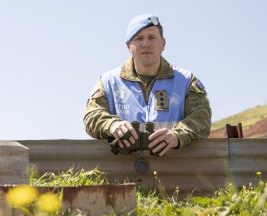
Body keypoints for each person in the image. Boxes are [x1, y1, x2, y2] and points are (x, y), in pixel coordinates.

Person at [84, 14, 211, 156]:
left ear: (163, 44)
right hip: (122, 173)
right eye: (139, 38)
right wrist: (112, 125)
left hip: (174, 171)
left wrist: (177, 135)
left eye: (152, 37)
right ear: (128, 46)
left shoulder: (186, 81)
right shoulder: (109, 82)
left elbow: (202, 118)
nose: (146, 43)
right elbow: (92, 116)